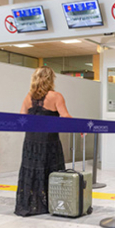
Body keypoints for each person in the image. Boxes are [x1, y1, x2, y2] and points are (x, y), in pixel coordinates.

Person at [15, 66, 71, 217]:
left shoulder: (28, 98)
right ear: (50, 79)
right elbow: (65, 117)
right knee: (51, 171)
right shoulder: (56, 96)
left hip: (31, 142)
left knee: (31, 171)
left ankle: (30, 204)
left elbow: (22, 118)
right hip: (49, 141)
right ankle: (53, 203)